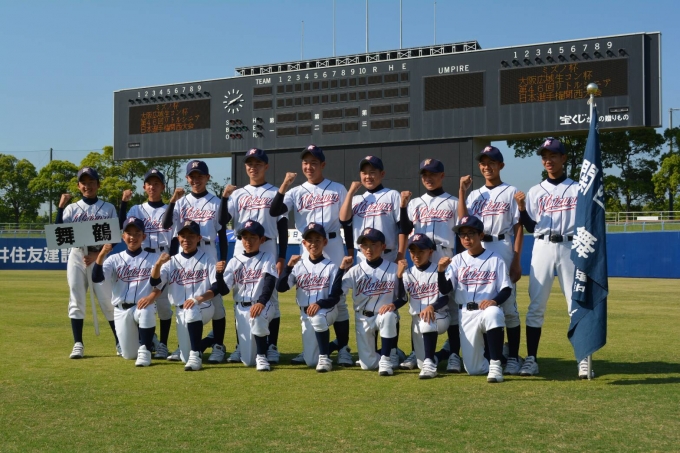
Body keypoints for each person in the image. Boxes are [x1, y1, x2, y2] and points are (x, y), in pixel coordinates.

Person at [270, 144, 354, 367]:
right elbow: (275, 211)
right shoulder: (296, 191)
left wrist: (350, 251)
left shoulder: (337, 188)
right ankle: (312, 348)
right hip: (308, 245)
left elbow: (347, 221)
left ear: (322, 165)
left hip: (333, 243)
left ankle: (343, 348)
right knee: (308, 291)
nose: (309, 167)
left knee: (339, 299)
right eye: (305, 163)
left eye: (314, 163)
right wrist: (284, 185)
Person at [513, 138, 582, 377]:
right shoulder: (535, 191)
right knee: (536, 306)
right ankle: (531, 359)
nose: (548, 160)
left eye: (553, 155)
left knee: (575, 304)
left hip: (570, 245)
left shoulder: (578, 188)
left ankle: (583, 357)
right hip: (542, 245)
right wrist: (522, 209)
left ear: (563, 158)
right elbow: (531, 226)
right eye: (544, 156)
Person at [458, 146, 524, 375]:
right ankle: (492, 354)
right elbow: (463, 222)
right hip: (478, 246)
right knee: (482, 302)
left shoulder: (511, 191)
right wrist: (461, 192)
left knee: (508, 306)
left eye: (492, 162)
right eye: (483, 163)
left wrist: (516, 259)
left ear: (501, 165)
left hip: (502, 244)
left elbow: (518, 227)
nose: (487, 167)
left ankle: (513, 357)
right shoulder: (474, 195)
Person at [220, 148, 288, 366]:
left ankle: (271, 345)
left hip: (268, 246)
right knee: (240, 294)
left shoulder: (275, 192)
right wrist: (224, 197)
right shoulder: (238, 194)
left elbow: (283, 226)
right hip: (242, 245)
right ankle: (241, 345)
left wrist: (282, 256)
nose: (253, 167)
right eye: (250, 163)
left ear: (266, 166)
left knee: (271, 298)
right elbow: (222, 219)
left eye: (258, 164)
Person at [339, 154, 406, 368]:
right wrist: (351, 192)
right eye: (365, 173)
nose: (368, 176)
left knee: (388, 307)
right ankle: (373, 351)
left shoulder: (392, 195)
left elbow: (402, 227)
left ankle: (391, 351)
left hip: (388, 254)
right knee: (367, 303)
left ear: (382, 174)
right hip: (363, 256)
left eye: (373, 172)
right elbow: (344, 221)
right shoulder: (356, 199)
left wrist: (401, 253)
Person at [162, 160, 229, 364]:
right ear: (187, 178)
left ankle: (218, 345)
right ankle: (187, 344)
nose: (196, 179)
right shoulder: (181, 202)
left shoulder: (216, 202)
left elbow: (222, 233)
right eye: (192, 176)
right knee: (185, 296)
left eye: (200, 176)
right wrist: (172, 200)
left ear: (207, 178)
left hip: (208, 248)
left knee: (216, 301)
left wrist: (223, 259)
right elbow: (166, 225)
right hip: (185, 249)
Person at [399, 158, 461, 372]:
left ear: (442, 176)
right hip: (421, 252)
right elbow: (404, 228)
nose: (428, 178)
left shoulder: (453, 202)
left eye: (432, 174)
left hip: (444, 253)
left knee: (451, 304)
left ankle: (454, 354)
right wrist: (403, 206)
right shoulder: (415, 203)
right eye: (424, 174)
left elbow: (460, 232)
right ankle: (417, 352)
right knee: (418, 301)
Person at [438, 216, 512, 383]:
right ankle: (498, 354)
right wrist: (441, 272)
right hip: (466, 313)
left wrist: (494, 301)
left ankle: (495, 364)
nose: (466, 238)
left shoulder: (495, 259)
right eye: (462, 234)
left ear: (481, 235)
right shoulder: (457, 260)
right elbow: (445, 289)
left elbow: (506, 289)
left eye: (471, 233)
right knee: (474, 369)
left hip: (486, 310)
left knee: (494, 313)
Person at [57, 166, 119, 359]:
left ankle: (120, 342)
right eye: (83, 182)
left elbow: (115, 236)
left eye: (91, 182)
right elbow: (59, 233)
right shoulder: (71, 208)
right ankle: (78, 344)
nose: (87, 186)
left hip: (99, 257)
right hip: (77, 255)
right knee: (76, 299)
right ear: (78, 186)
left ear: (98, 184)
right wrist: (60, 207)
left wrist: (98, 254)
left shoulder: (108, 207)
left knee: (107, 300)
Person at [150, 220, 228, 371]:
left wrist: (199, 298)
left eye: (191, 235)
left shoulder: (208, 258)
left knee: (192, 309)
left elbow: (216, 287)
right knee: (184, 357)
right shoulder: (171, 261)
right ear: (178, 238)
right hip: (181, 311)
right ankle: (208, 340)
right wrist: (158, 264)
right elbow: (155, 282)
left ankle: (196, 356)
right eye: (183, 236)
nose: (187, 239)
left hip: (203, 307)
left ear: (199, 238)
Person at [118, 168, 173, 359]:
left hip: (163, 256)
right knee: (141, 302)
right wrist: (123, 203)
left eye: (156, 183)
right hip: (141, 257)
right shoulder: (136, 210)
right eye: (149, 183)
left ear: (163, 187)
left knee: (164, 305)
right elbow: (122, 226)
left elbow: (175, 237)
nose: (152, 187)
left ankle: (163, 344)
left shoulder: (170, 210)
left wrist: (172, 259)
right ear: (144, 187)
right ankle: (148, 340)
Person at [92, 217, 160, 367]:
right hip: (121, 309)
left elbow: (160, 284)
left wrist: (151, 296)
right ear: (123, 236)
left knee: (147, 309)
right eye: (129, 233)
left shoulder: (154, 258)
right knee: (129, 355)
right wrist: (101, 255)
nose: (133, 237)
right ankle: (149, 339)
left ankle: (146, 349)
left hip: (141, 306)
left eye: (137, 234)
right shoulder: (113, 259)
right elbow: (97, 278)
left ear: (144, 237)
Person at [276, 223, 344, 372]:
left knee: (318, 317)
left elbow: (335, 297)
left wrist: (319, 304)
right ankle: (334, 345)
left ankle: (325, 358)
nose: (314, 243)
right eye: (310, 240)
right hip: (305, 313)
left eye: (317, 240)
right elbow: (280, 288)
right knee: (311, 361)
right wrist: (288, 267)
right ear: (304, 243)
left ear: (325, 242)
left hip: (326, 310)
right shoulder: (298, 266)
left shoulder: (331, 266)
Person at [339, 227, 406, 376]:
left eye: (374, 244)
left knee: (389, 315)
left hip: (383, 315)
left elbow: (403, 298)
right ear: (361, 248)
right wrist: (341, 269)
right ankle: (392, 352)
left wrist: (393, 304)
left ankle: (386, 359)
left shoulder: (394, 268)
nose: (369, 249)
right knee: (367, 365)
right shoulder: (355, 270)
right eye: (365, 245)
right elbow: (337, 293)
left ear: (383, 246)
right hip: (363, 318)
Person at [221, 220, 279, 371]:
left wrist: (261, 302)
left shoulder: (267, 256)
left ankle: (262, 356)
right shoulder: (234, 261)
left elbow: (269, 283)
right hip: (241, 308)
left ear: (262, 239)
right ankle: (257, 351)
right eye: (245, 237)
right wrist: (219, 275)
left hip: (263, 305)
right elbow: (224, 290)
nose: (248, 241)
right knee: (247, 361)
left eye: (253, 237)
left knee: (258, 316)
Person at [397, 234, 451, 379]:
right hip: (417, 320)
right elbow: (401, 297)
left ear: (430, 252)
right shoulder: (408, 273)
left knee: (427, 321)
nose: (416, 255)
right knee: (422, 363)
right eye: (413, 251)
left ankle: (430, 366)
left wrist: (432, 306)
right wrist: (399, 277)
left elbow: (445, 297)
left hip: (439, 316)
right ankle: (443, 353)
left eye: (421, 251)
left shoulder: (439, 269)